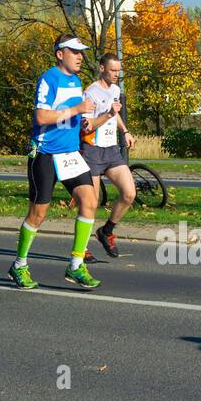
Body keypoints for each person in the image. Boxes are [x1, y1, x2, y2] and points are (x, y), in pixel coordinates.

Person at [8, 34, 102, 291]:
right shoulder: (49, 78)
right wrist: (75, 111)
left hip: (70, 154)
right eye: (74, 52)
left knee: (90, 201)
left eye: (81, 52)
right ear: (60, 54)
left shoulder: (76, 80)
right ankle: (19, 265)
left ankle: (75, 265)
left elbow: (71, 113)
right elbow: (41, 116)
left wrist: (80, 122)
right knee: (38, 214)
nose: (80, 56)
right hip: (45, 153)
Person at [80, 54, 138, 258]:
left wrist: (125, 131)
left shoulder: (115, 90)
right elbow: (87, 127)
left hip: (112, 150)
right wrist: (109, 114)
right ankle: (82, 247)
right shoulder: (90, 93)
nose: (116, 74)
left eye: (118, 70)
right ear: (102, 68)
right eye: (113, 70)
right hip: (93, 151)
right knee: (91, 203)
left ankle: (106, 232)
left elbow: (117, 114)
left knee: (129, 193)